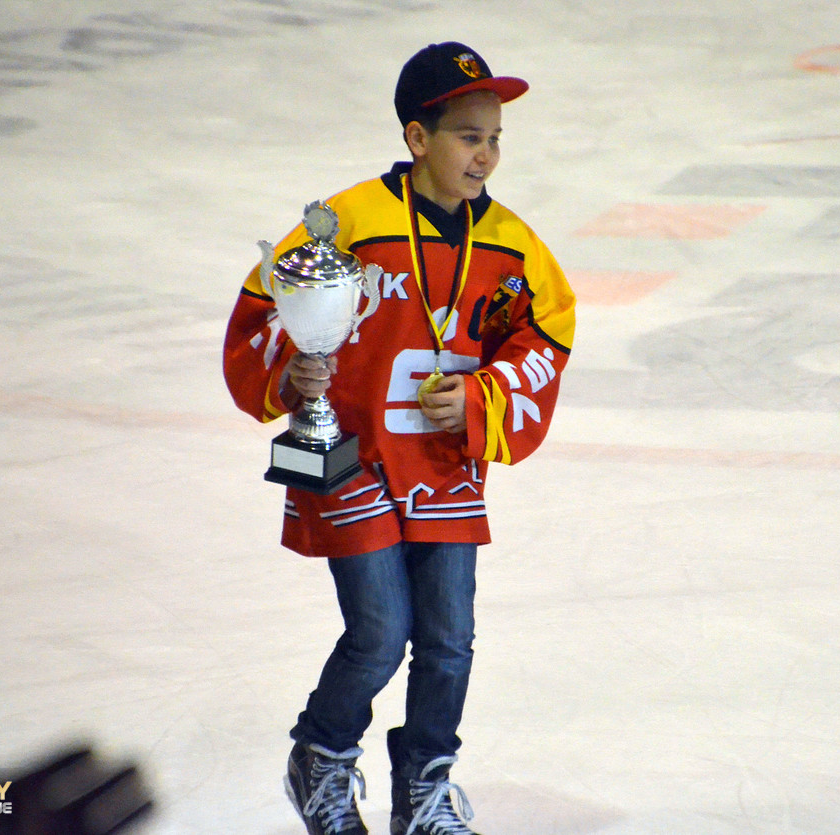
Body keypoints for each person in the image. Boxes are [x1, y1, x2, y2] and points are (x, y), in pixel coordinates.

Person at [223, 41, 576, 835]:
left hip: (445, 463)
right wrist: (292, 370)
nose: (485, 155)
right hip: (352, 456)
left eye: (494, 139)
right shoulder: (349, 220)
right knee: (382, 633)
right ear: (418, 137)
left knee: (450, 641)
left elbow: (547, 331)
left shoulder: (512, 242)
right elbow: (266, 309)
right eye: (468, 136)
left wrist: (484, 395)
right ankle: (321, 753)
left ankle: (424, 790)